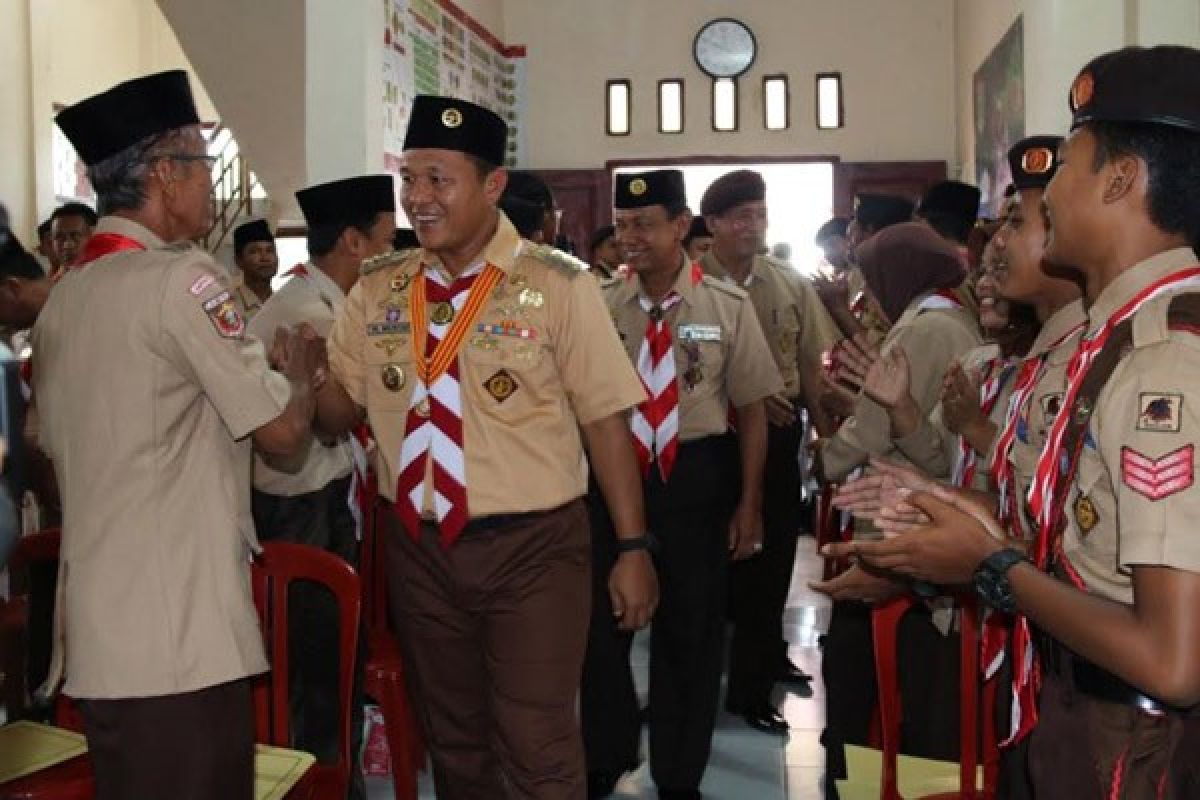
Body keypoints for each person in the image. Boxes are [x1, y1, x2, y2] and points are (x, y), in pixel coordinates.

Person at [825, 46, 1200, 799]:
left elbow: (1171, 659)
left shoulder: (1165, 359)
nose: (1049, 193)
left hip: (1131, 742)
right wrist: (974, 512)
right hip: (1075, 711)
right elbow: (1097, 548)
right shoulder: (1117, 339)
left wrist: (990, 565)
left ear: (1120, 179)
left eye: (1067, 165)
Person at [314, 95, 656, 800]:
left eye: (439, 179)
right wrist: (289, 381)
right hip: (419, 548)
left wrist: (632, 549)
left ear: (492, 185)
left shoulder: (560, 285)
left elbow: (604, 424)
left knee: (537, 743)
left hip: (533, 547)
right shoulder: (379, 288)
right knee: (456, 742)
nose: (418, 198)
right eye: (409, 179)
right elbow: (338, 409)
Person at [37, 69, 323, 800]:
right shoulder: (181, 281)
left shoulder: (65, 294)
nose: (207, 181)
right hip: (179, 634)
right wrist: (298, 373)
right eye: (201, 163)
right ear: (165, 175)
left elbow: (47, 443)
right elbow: (285, 436)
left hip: (103, 634)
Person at [583, 169, 781, 800]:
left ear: (679, 225)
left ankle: (679, 774)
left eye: (644, 224)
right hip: (613, 479)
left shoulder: (727, 307)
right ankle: (607, 756)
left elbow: (751, 410)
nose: (629, 237)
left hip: (696, 480)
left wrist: (749, 502)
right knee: (599, 632)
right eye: (621, 225)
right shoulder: (598, 307)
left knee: (690, 637)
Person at [814, 221, 980, 790]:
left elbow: (877, 427)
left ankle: (858, 783)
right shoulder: (940, 319)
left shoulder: (927, 327)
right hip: (911, 512)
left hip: (903, 528)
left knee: (882, 691)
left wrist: (824, 462)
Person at [248, 175, 395, 799]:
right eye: (388, 243)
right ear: (356, 242)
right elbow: (334, 420)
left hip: (322, 501)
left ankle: (338, 777)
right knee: (316, 670)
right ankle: (325, 785)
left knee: (332, 667)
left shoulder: (328, 302)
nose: (396, 257)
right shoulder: (306, 315)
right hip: (298, 511)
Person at [695, 169, 839, 735]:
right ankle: (695, 687)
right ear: (713, 226)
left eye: (759, 215)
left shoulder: (787, 283)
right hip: (708, 439)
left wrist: (819, 425)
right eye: (740, 217)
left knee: (769, 563)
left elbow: (810, 363)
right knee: (702, 571)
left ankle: (753, 689)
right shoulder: (689, 285)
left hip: (776, 436)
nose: (752, 227)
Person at [231, 218, 278, 318]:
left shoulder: (284, 304)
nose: (265, 258)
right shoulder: (230, 306)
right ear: (238, 261)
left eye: (270, 251)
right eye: (254, 251)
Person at [49, 202, 98, 269]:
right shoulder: (53, 277)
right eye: (59, 237)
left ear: (93, 235)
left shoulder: (107, 273)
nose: (67, 245)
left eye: (75, 236)